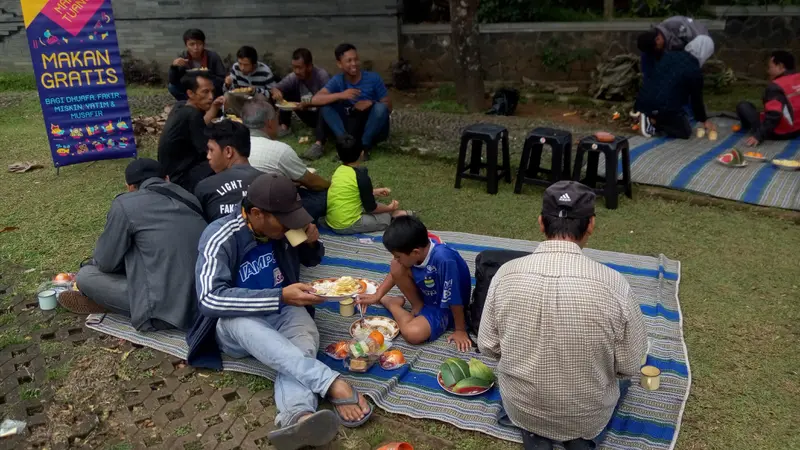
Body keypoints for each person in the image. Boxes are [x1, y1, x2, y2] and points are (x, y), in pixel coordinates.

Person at [186, 173, 372, 449]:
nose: (291, 226)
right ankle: (331, 383)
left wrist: (310, 243)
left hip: (282, 308)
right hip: (235, 325)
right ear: (258, 214)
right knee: (245, 324)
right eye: (285, 220)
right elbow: (210, 299)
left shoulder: (283, 227)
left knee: (304, 338)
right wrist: (279, 295)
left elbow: (311, 259)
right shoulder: (220, 236)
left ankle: (299, 414)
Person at [477, 181, 648, 450]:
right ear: (590, 224)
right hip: (585, 416)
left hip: (522, 407)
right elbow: (627, 367)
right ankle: (579, 440)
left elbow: (488, 346)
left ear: (541, 223)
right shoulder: (615, 285)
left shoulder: (505, 275)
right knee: (620, 382)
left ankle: (534, 434)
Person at [57, 159, 207, 332]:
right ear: (166, 179)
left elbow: (106, 262)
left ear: (129, 187)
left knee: (85, 276)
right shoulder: (190, 198)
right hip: (201, 304)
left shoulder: (125, 204)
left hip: (161, 313)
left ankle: (109, 303)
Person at [356, 216, 472, 351]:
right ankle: (418, 306)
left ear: (415, 252)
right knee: (396, 266)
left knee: (413, 334)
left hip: (446, 307)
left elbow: (454, 297)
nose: (395, 259)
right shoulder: (422, 246)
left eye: (398, 256)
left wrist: (460, 329)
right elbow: (395, 271)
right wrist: (377, 295)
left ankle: (392, 304)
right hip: (430, 296)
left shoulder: (445, 260)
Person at [241, 98, 330, 221]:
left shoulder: (233, 146)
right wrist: (331, 185)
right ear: (270, 123)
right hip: (272, 213)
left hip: (242, 206)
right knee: (324, 196)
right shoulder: (279, 150)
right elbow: (313, 182)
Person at [312, 43, 391, 160]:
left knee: (380, 108)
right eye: (349, 61)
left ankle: (364, 147)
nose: (354, 64)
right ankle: (345, 142)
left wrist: (371, 104)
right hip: (351, 126)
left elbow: (388, 106)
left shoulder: (373, 78)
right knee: (325, 106)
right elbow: (315, 100)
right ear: (339, 64)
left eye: (356, 59)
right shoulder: (338, 80)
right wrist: (341, 95)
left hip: (372, 128)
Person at [323, 135, 408, 234]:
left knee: (381, 208)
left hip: (332, 220)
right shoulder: (361, 176)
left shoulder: (339, 171)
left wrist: (374, 192)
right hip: (346, 225)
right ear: (362, 153)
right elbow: (371, 208)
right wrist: (390, 208)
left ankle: (393, 213)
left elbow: (350, 191)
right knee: (384, 218)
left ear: (338, 154)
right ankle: (395, 215)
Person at [634, 38, 715, 139]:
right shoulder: (694, 69)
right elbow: (696, 99)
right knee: (684, 131)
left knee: (676, 112)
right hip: (663, 105)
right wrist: (704, 120)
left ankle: (645, 116)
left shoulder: (670, 55)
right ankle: (651, 122)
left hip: (643, 100)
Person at [158, 71, 223, 193]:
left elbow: (201, 124)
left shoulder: (181, 107)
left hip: (168, 174)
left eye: (212, 91)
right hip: (181, 179)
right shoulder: (192, 115)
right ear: (190, 93)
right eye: (205, 92)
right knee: (224, 160)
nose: (211, 96)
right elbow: (208, 151)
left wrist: (214, 107)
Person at [194, 119, 263, 222]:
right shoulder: (270, 182)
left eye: (211, 150)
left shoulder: (205, 187)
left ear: (228, 151)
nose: (208, 156)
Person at [271, 48, 332, 160]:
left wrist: (307, 104)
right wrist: (277, 92)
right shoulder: (294, 77)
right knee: (286, 92)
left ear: (309, 66)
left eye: (299, 68)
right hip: (305, 111)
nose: (296, 71)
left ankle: (319, 144)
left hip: (323, 117)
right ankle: (284, 126)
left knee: (326, 107)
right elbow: (275, 88)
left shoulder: (321, 76)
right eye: (294, 67)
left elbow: (327, 98)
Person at [737, 51, 800, 147]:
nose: (768, 71)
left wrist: (759, 136)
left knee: (743, 106)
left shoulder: (775, 87)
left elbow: (774, 115)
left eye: (770, 67)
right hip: (797, 130)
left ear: (780, 66)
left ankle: (748, 128)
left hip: (780, 133)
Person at [167, 29, 226, 100]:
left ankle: (208, 102)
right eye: (192, 44)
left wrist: (206, 75)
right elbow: (173, 81)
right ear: (186, 45)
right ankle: (187, 103)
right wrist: (173, 67)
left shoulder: (213, 56)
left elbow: (222, 78)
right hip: (191, 88)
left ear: (203, 44)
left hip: (209, 87)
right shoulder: (183, 57)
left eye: (199, 44)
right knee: (172, 87)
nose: (196, 48)